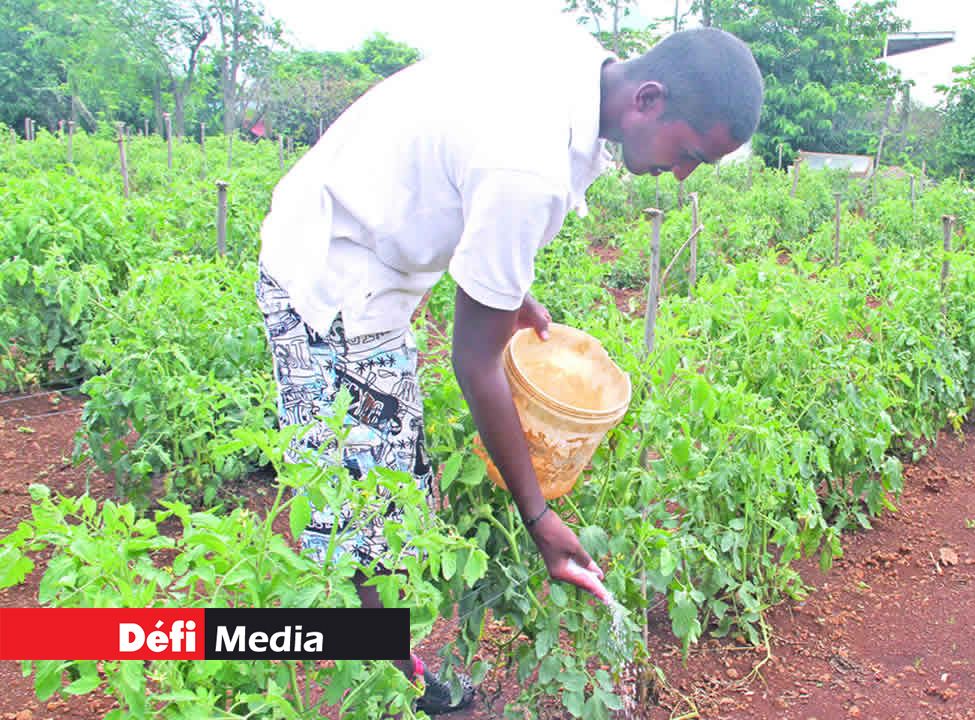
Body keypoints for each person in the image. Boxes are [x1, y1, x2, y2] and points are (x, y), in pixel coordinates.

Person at [255, 9, 763, 715]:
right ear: (647, 99)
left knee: (394, 483)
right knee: (365, 502)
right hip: (330, 272)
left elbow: (467, 159)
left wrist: (507, 289)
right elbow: (476, 363)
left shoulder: (579, 60)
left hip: (376, 256)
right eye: (689, 155)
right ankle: (377, 687)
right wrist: (538, 516)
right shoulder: (531, 167)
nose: (680, 177)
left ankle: (387, 663)